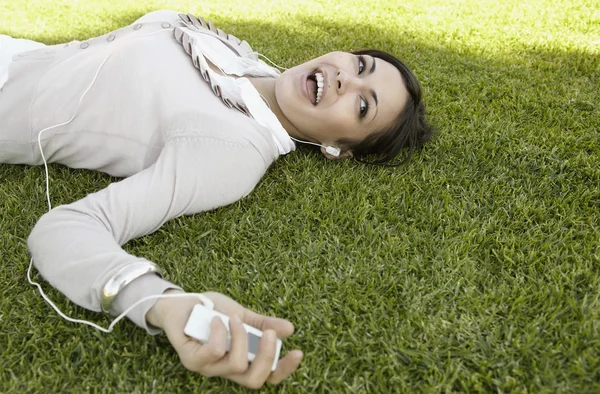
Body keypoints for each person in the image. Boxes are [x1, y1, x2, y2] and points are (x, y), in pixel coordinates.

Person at [0, 10, 432, 389]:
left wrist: (161, 304)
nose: (346, 78)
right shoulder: (251, 63)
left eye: (362, 106)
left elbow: (65, 229)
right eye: (360, 65)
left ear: (337, 149)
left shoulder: (233, 148)